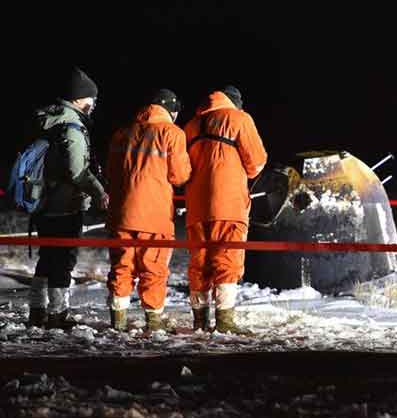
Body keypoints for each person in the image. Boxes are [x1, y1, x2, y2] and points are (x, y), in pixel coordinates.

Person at [28, 67, 109, 329]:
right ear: (77, 98)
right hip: (65, 205)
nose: (93, 104)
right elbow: (77, 172)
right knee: (63, 261)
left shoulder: (48, 121)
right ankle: (57, 314)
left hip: (43, 203)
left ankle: (37, 311)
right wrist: (99, 191)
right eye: (91, 99)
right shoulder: (72, 127)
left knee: (47, 257)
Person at [105, 89, 191, 332]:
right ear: (171, 110)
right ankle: (153, 323)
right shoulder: (172, 133)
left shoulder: (121, 133)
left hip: (121, 214)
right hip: (154, 215)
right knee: (153, 269)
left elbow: (111, 172)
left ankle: (118, 322)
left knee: (121, 268)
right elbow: (179, 175)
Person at [184, 85, 267, 333]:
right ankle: (225, 321)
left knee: (199, 262)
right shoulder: (239, 118)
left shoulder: (190, 126)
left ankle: (200, 320)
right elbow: (256, 162)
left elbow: (182, 169)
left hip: (196, 206)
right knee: (227, 259)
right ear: (236, 103)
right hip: (228, 203)